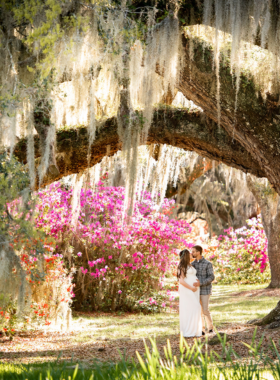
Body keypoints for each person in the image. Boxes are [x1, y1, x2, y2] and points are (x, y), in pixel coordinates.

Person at [177, 249, 202, 337]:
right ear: (187, 255)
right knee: (194, 307)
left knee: (194, 308)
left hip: (194, 290)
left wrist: (197, 281)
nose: (192, 254)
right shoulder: (182, 266)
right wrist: (191, 287)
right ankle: (188, 330)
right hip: (187, 289)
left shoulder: (190, 265)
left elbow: (192, 275)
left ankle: (195, 330)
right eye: (190, 254)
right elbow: (181, 280)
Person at [191, 245, 215, 335]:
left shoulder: (208, 263)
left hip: (205, 290)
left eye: (193, 251)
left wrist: (200, 283)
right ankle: (201, 329)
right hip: (195, 291)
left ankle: (210, 328)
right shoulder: (192, 264)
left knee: (205, 310)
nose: (192, 253)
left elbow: (211, 277)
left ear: (198, 252)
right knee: (198, 310)